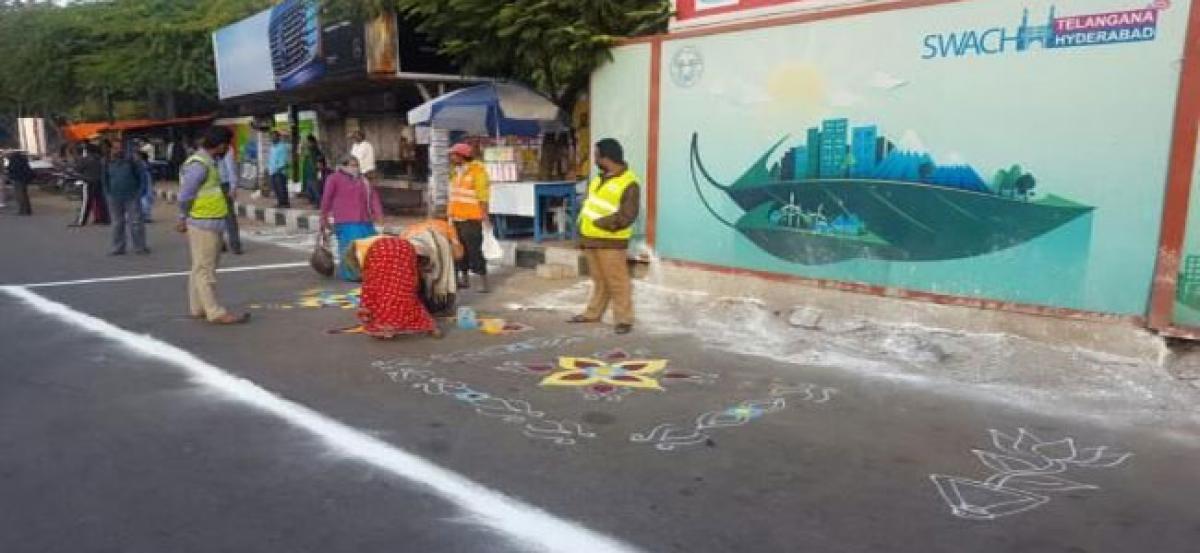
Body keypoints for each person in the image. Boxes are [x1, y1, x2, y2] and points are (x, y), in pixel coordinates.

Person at [176, 127, 250, 325]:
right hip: (203, 222)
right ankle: (215, 312)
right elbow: (185, 195)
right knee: (206, 270)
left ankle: (198, 307)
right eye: (227, 146)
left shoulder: (208, 162)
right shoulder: (200, 165)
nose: (227, 150)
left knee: (199, 267)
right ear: (221, 145)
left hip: (210, 220)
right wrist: (182, 216)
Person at [568, 138, 640, 335]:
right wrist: (582, 234)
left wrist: (602, 224)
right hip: (591, 238)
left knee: (617, 281)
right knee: (599, 280)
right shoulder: (598, 179)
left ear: (606, 157)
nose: (594, 158)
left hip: (611, 240)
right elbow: (588, 208)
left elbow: (628, 215)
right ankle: (593, 313)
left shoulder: (629, 182)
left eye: (596, 154)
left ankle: (624, 319)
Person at [344, 234, 441, 339]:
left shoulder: (359, 252)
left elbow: (367, 276)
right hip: (405, 248)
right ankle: (430, 327)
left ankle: (385, 327)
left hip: (382, 249)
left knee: (378, 294)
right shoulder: (364, 242)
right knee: (403, 292)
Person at [319, 155, 383, 281]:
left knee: (368, 248)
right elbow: (326, 199)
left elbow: (373, 198)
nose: (356, 168)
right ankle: (351, 274)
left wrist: (379, 215)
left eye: (357, 165)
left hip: (365, 220)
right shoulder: (333, 179)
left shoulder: (363, 180)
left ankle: (367, 273)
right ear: (343, 166)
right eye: (352, 165)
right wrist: (323, 217)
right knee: (349, 249)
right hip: (345, 221)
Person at [447, 142, 491, 292]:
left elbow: (483, 196)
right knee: (460, 250)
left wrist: (485, 216)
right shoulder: (456, 172)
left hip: (471, 218)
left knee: (474, 250)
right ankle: (464, 279)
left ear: (462, 156)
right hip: (456, 217)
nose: (451, 157)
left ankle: (482, 281)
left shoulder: (477, 172)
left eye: (454, 154)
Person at [103, 140, 150, 256]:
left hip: (132, 195)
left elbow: (142, 176)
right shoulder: (107, 162)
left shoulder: (133, 161)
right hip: (114, 196)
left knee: (136, 222)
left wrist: (141, 192)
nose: (117, 150)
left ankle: (139, 247)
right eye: (114, 148)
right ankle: (118, 248)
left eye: (119, 148)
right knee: (117, 223)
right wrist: (107, 193)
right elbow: (104, 179)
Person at [71, 144, 109, 226]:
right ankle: (105, 219)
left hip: (88, 182)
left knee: (86, 202)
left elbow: (78, 169)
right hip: (99, 182)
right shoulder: (101, 159)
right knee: (101, 201)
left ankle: (81, 221)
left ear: (88, 151)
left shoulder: (85, 159)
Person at [217, 145, 243, 254]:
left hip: (219, 185)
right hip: (222, 184)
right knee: (228, 216)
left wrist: (233, 187)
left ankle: (223, 244)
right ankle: (233, 245)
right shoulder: (226, 148)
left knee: (219, 215)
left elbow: (230, 168)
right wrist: (233, 187)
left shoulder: (219, 148)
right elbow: (231, 168)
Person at [5, 150, 33, 216]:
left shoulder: (13, 161)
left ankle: (22, 210)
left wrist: (9, 175)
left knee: (19, 195)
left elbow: (11, 169)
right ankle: (28, 209)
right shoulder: (23, 160)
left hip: (17, 179)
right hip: (24, 179)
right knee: (25, 194)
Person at [269, 131, 291, 208]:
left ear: (278, 137)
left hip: (280, 171)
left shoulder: (282, 147)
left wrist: (279, 169)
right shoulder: (272, 147)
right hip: (272, 171)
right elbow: (271, 159)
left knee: (281, 188)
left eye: (274, 136)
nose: (273, 138)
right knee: (276, 188)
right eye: (272, 136)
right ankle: (280, 202)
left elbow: (284, 160)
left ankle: (285, 203)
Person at [301, 134, 324, 204]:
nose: (308, 144)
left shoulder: (317, 151)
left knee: (316, 190)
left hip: (315, 175)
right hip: (308, 175)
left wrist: (319, 174)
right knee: (309, 191)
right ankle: (314, 202)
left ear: (313, 142)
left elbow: (320, 164)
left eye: (309, 142)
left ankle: (319, 203)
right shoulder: (308, 152)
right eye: (307, 142)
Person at [137, 151, 155, 223]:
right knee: (146, 199)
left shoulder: (142, 164)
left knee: (144, 199)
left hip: (145, 182)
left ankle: (145, 216)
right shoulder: (146, 164)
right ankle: (146, 216)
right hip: (147, 182)